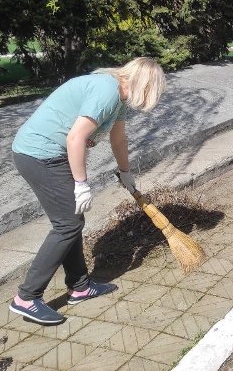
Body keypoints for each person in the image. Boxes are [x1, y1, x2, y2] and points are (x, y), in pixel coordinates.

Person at [9, 57, 166, 325]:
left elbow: (118, 138)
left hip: (49, 154)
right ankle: (27, 297)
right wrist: (82, 184)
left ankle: (80, 286)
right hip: (39, 154)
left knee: (71, 222)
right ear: (145, 85)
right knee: (67, 224)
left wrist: (125, 172)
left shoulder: (118, 96)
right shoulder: (107, 90)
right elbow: (76, 138)